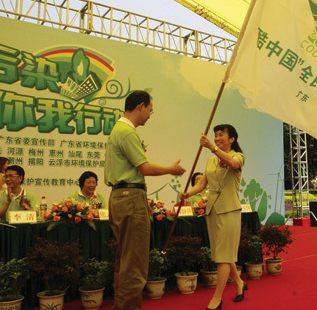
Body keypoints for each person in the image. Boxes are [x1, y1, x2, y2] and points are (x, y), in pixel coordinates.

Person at [104, 90, 185, 310]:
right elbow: (144, 167)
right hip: (130, 198)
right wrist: (171, 169)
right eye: (150, 110)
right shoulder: (127, 132)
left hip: (120, 197)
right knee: (135, 262)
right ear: (140, 106)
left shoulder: (117, 130)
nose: (150, 115)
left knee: (125, 258)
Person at [181, 124, 246, 310]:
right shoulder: (210, 161)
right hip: (212, 211)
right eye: (215, 135)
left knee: (223, 257)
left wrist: (212, 147)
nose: (217, 138)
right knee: (221, 254)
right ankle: (240, 284)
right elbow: (202, 183)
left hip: (229, 210)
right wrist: (188, 193)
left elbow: (233, 164)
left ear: (232, 139)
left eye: (221, 135)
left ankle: (217, 299)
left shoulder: (237, 156)